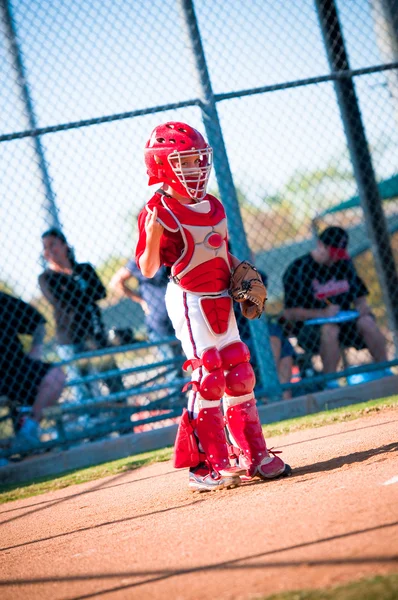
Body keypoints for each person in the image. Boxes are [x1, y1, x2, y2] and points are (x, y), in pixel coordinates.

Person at [135, 121, 291, 492]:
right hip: (188, 299)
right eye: (185, 162)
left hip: (220, 296)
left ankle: (252, 453)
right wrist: (155, 234)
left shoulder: (214, 205)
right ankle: (205, 465)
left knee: (239, 371)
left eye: (198, 160)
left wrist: (239, 268)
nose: (196, 169)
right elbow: (147, 267)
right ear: (162, 165)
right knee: (208, 375)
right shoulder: (159, 208)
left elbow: (218, 249)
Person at [282, 226, 388, 386]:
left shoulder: (344, 263)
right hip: (311, 329)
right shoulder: (298, 269)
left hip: (346, 322)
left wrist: (362, 307)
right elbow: (289, 313)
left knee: (366, 322)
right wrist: (322, 314)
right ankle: (330, 383)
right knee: (330, 329)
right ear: (320, 245)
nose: (335, 259)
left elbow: (359, 295)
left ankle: (384, 371)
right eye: (332, 253)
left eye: (339, 254)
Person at [38, 228, 125, 402]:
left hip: (95, 334)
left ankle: (124, 425)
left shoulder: (84, 269)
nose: (49, 251)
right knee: (85, 390)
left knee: (113, 382)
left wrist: (74, 292)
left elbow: (100, 292)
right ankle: (94, 424)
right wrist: (82, 292)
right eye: (45, 247)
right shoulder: (47, 278)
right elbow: (60, 301)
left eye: (53, 245)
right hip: (72, 339)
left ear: (64, 246)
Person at [0, 292, 65, 446]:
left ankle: (28, 430)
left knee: (55, 376)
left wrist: (36, 348)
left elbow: (38, 322)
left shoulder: (2, 301)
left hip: (15, 367)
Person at [110, 260, 183, 379]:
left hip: (180, 316)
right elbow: (116, 282)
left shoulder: (171, 252)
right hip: (159, 322)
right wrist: (141, 300)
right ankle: (177, 396)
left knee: (188, 359)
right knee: (173, 367)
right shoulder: (141, 258)